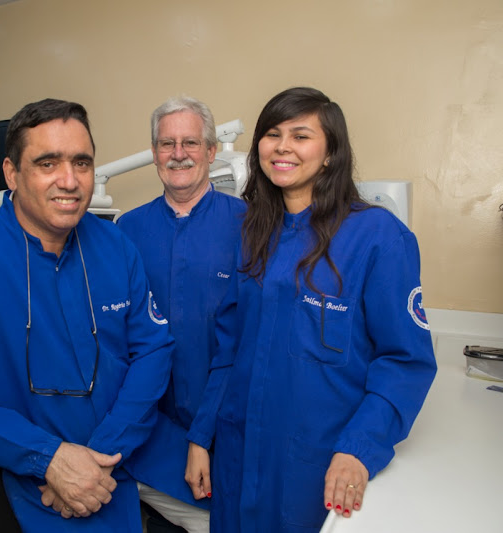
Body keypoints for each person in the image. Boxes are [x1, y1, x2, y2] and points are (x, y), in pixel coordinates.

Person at [0, 98, 174, 532]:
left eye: (82, 163)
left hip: (127, 446)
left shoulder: (116, 246)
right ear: (12, 173)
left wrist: (102, 455)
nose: (69, 180)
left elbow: (153, 350)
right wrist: (47, 458)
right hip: (33, 475)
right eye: (48, 163)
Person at [186, 87, 438, 532]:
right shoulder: (254, 233)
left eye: (300, 135)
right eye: (272, 134)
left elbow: (405, 362)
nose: (282, 146)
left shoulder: (377, 235)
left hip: (315, 462)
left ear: (329, 154)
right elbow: (229, 348)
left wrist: (359, 447)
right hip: (240, 450)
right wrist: (201, 436)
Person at [117, 96, 246, 532]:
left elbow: (241, 341)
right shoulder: (127, 230)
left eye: (190, 142)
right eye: (166, 143)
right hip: (151, 426)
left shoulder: (248, 224)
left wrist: (203, 435)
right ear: (154, 153)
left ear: (211, 151)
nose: (178, 154)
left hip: (225, 425)